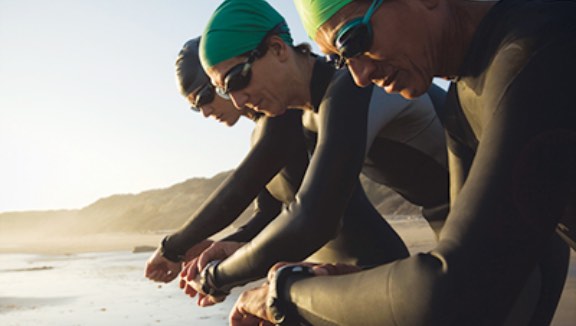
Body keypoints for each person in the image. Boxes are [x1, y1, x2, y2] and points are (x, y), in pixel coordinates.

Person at [226, 0, 575, 325]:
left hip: (526, 265)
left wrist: (285, 292)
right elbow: (452, 265)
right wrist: (345, 285)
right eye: (340, 60)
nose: (359, 75)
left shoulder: (539, 48)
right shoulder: (462, 99)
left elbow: (454, 291)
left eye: (353, 39)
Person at [184, 0, 450, 309]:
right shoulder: (310, 116)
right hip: (455, 228)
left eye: (237, 80)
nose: (239, 101)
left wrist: (217, 277)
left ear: (277, 49)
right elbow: (291, 208)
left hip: (490, 217)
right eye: (225, 92)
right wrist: (236, 247)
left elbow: (314, 218)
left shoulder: (351, 86)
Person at [145, 36, 431, 293]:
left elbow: (242, 188)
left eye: (206, 96)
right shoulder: (265, 131)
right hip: (322, 272)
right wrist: (223, 250)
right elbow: (269, 214)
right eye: (195, 106)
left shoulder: (287, 116)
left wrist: (175, 248)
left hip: (369, 265)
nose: (206, 111)